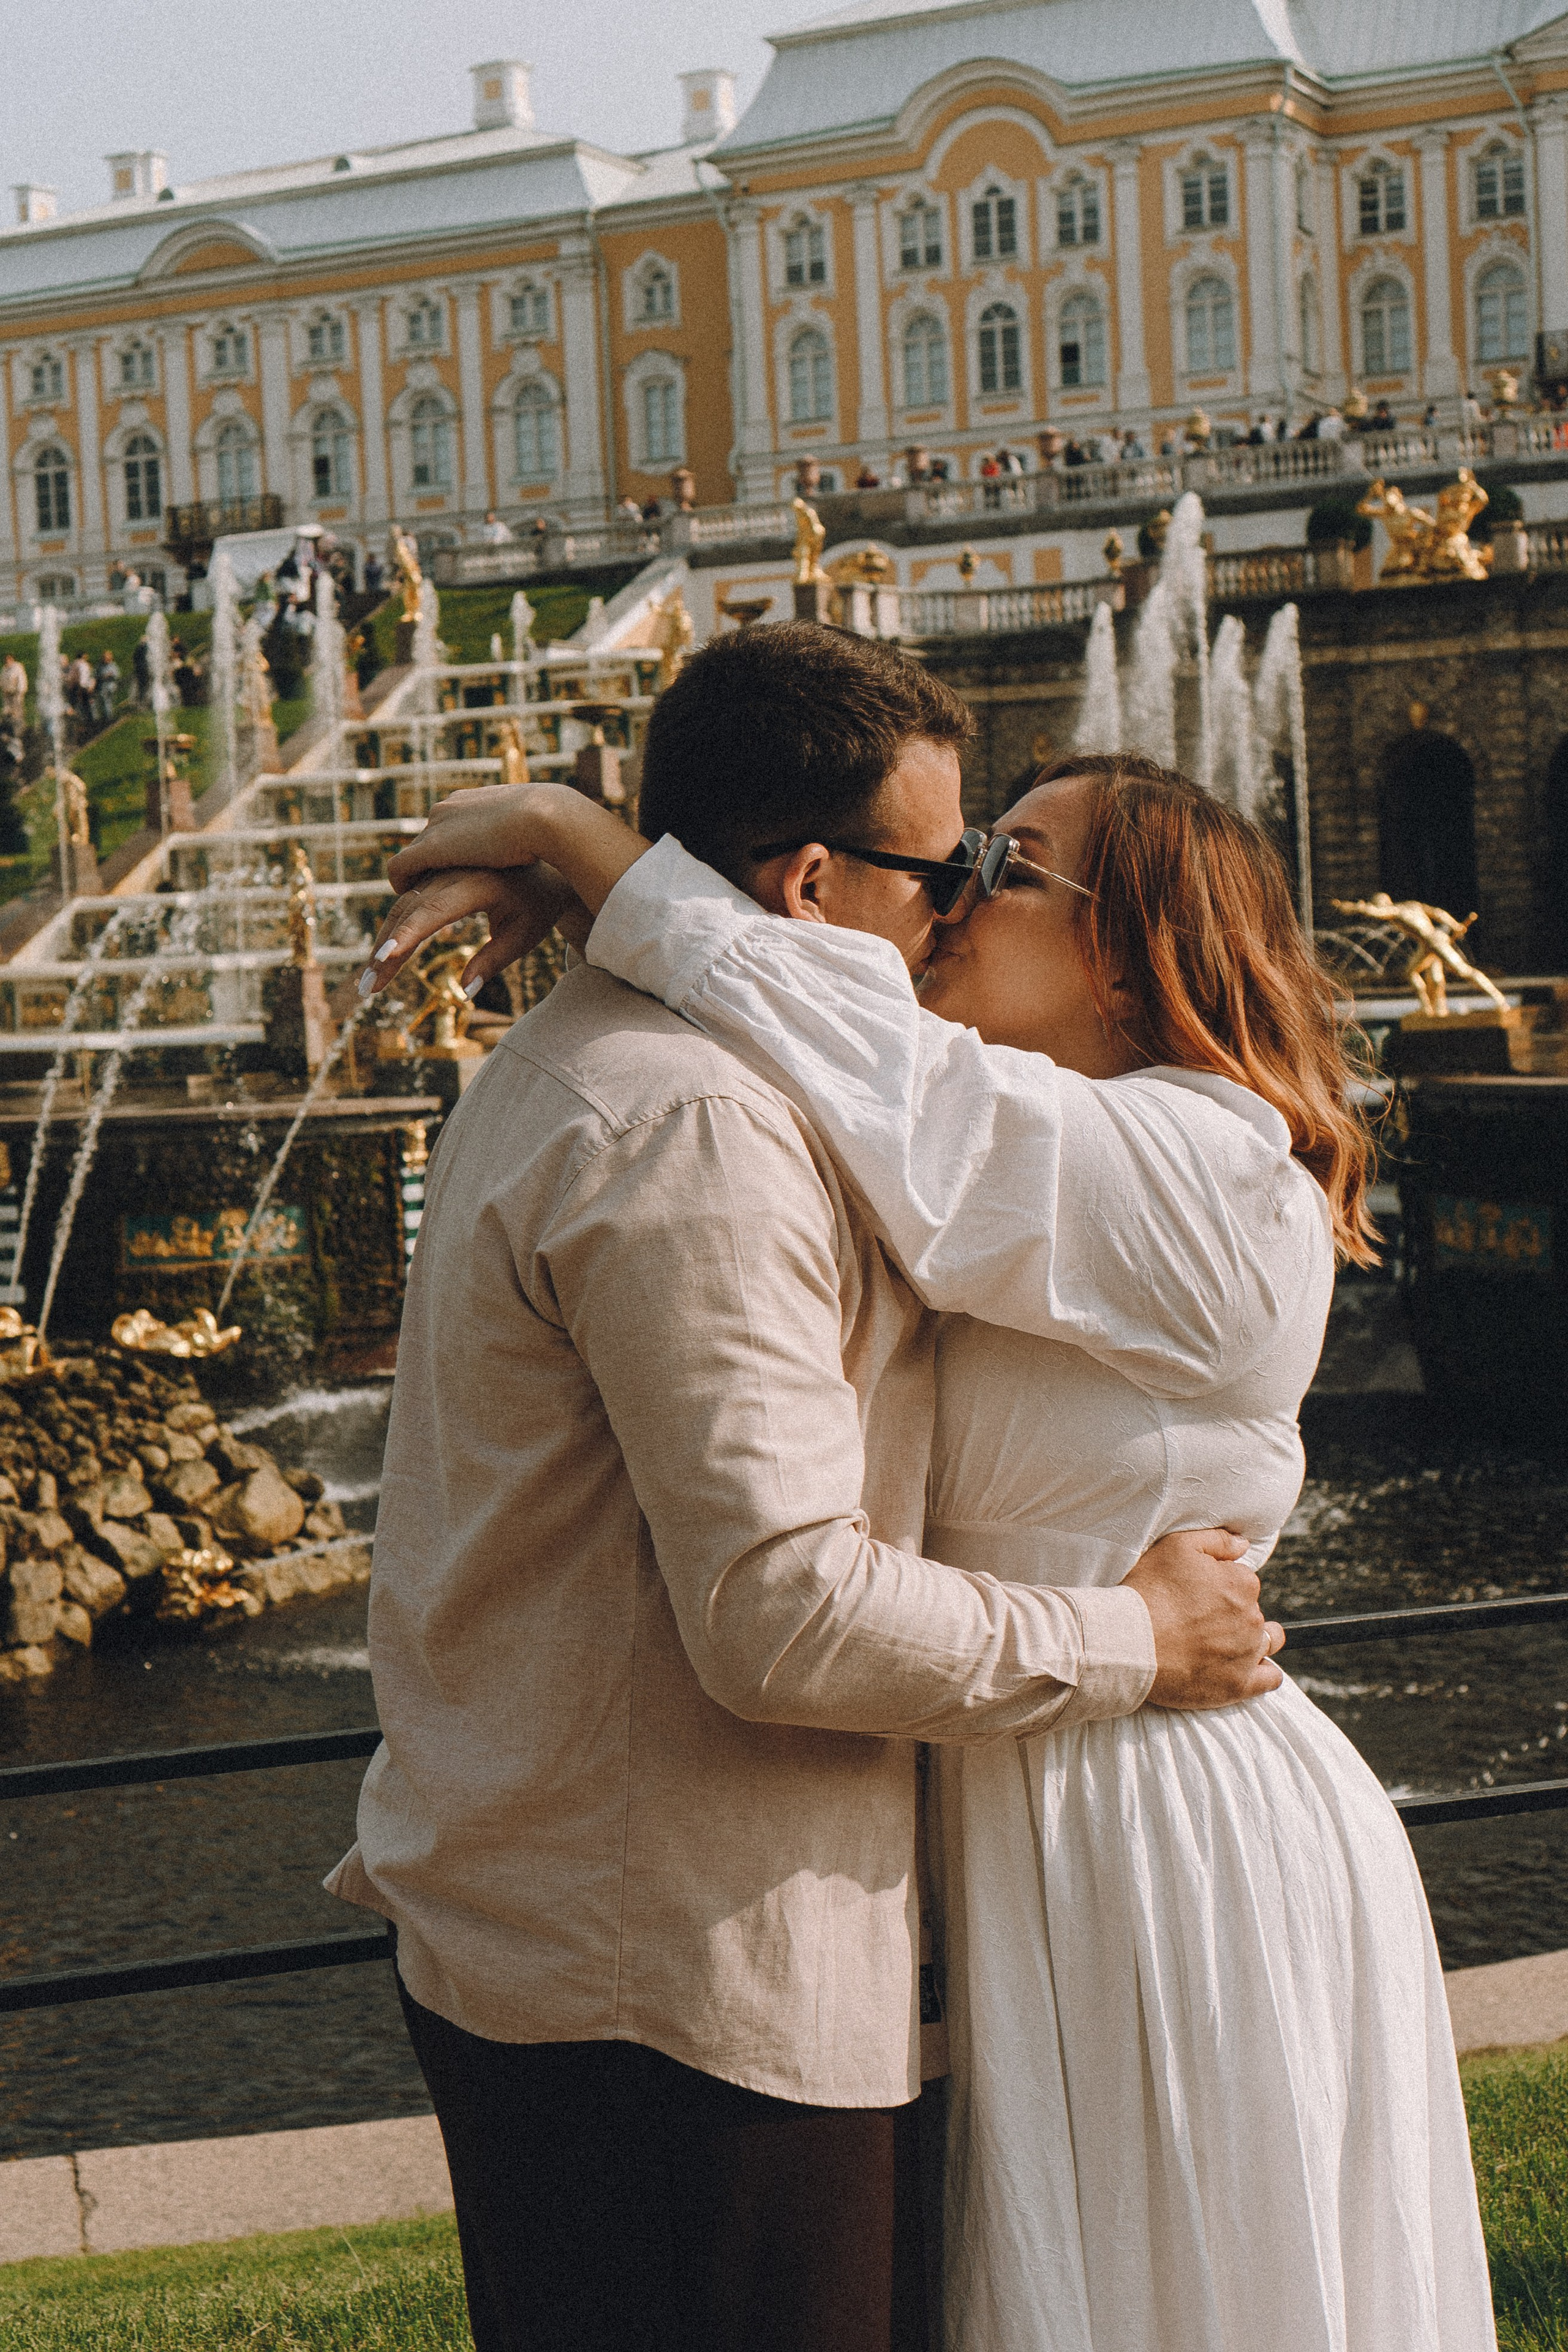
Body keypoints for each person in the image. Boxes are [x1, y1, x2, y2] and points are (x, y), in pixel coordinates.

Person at [372, 728, 1495, 2352]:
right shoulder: (1010, 1154)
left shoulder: (1210, 1168)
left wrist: (589, 843)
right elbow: (841, 1033)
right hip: (1019, 1784)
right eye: (965, 862)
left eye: (1015, 871)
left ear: (1139, 966)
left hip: (1157, 1816)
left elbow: (899, 1076)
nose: (961, 902)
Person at [0, 649, 26, 731]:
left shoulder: (18, 667)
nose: (7, 661)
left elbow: (22, 681)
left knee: (18, 713)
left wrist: (20, 693)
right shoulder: (4, 669)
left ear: (12, 659)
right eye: (6, 659)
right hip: (7, 696)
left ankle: (20, 730)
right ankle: (8, 730)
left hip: (16, 695)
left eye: (9, 659)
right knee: (7, 713)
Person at [94, 649, 120, 728]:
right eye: (104, 658)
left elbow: (117, 675)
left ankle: (109, 718)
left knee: (108, 702)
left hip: (110, 686)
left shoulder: (113, 665)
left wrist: (110, 675)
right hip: (103, 687)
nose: (106, 659)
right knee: (104, 702)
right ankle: (107, 717)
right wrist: (101, 677)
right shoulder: (100, 666)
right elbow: (96, 675)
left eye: (107, 658)